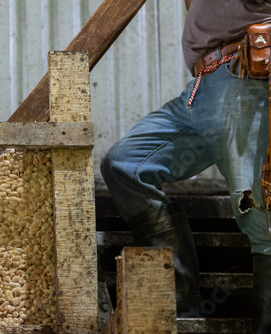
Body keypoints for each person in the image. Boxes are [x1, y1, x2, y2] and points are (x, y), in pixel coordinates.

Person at [100, 0, 271, 332]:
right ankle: (182, 299)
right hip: (201, 85)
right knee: (125, 164)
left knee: (259, 216)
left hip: (242, 74)